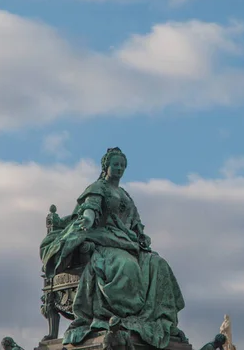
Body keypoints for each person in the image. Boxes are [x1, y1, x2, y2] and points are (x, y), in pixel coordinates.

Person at [40, 147, 187, 348]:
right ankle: (119, 318)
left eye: (122, 166)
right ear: (106, 167)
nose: (119, 168)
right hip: (104, 240)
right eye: (115, 165)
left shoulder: (124, 194)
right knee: (126, 267)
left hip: (127, 242)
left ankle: (159, 318)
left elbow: (135, 222)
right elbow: (90, 210)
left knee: (158, 264)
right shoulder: (98, 188)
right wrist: (87, 221)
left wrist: (141, 235)